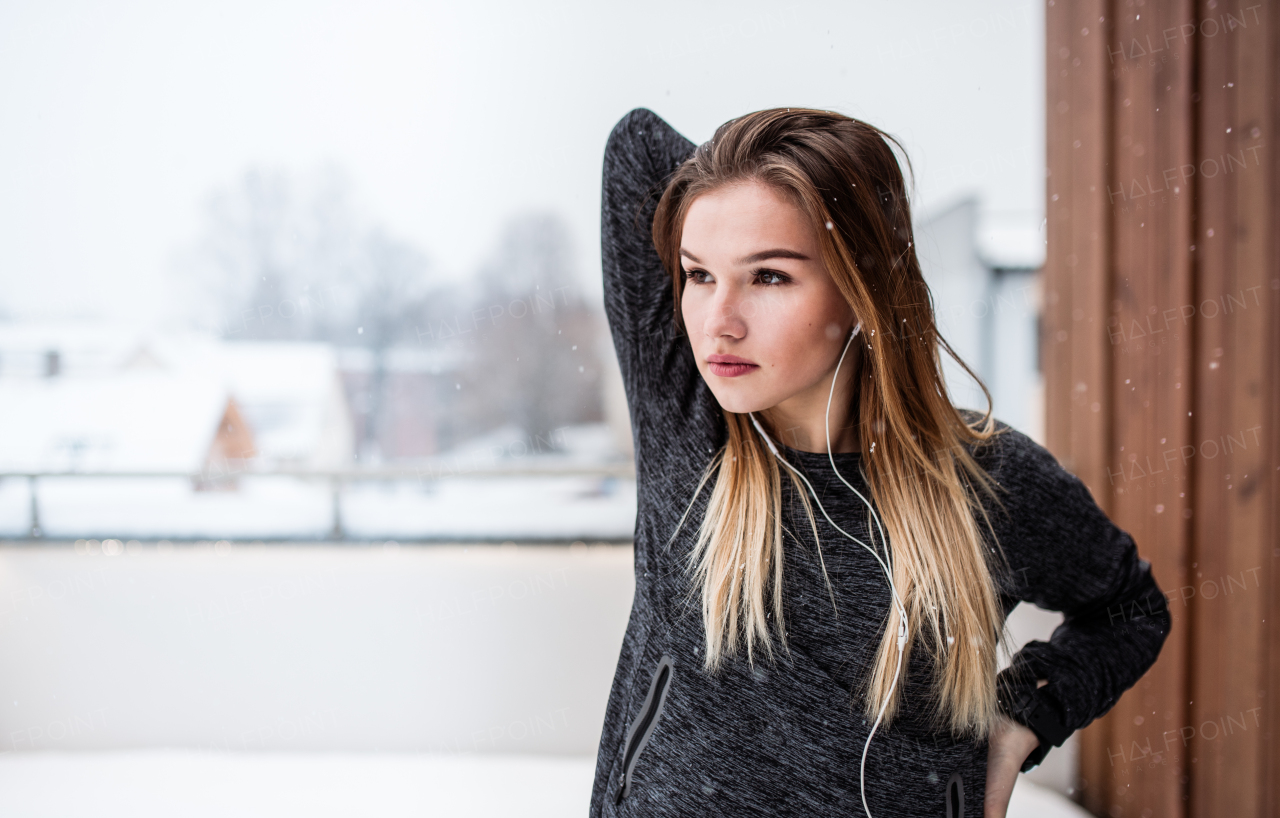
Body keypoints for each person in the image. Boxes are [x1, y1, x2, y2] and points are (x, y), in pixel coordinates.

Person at [590, 107, 1170, 818]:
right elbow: (636, 147)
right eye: (698, 274)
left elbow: (1130, 609)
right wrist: (765, 171)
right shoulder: (686, 424)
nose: (719, 321)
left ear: (864, 287)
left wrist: (1020, 724)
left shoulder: (986, 482)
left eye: (769, 276)